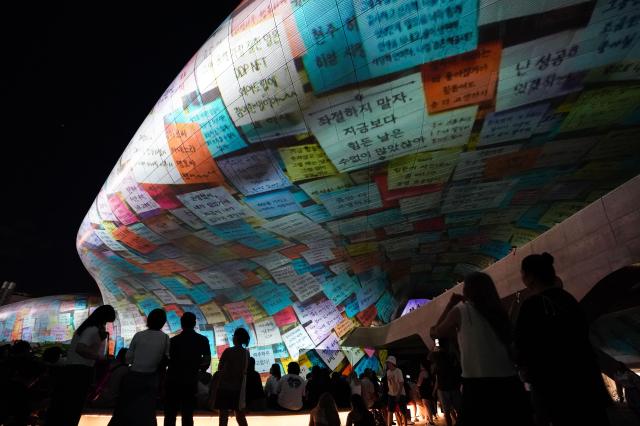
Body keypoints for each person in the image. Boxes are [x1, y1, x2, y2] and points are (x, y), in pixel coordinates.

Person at [515, 253, 610, 426]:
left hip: (553, 386)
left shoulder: (531, 306)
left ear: (530, 278)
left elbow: (522, 345)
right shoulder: (569, 299)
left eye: (522, 274)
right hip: (585, 379)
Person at [430, 272, 532, 426]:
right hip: (509, 384)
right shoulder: (499, 311)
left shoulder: (462, 310)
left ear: (467, 290)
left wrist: (451, 304)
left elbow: (435, 332)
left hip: (477, 386)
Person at [45, 304, 116, 426]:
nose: (106, 326)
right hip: (80, 371)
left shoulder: (86, 329)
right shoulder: (92, 330)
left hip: (74, 369)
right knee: (73, 405)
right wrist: (101, 358)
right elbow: (81, 348)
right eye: (106, 322)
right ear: (103, 319)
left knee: (66, 405)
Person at [109, 308, 170, 426]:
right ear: (163, 322)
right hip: (151, 379)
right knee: (146, 412)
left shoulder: (139, 335)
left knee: (125, 410)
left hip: (133, 377)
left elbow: (128, 358)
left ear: (149, 320)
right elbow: (165, 358)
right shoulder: (165, 338)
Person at [164, 312, 211, 426]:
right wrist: (198, 367)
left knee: (170, 413)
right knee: (187, 413)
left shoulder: (173, 341)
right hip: (190, 380)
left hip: (173, 379)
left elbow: (166, 360)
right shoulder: (202, 340)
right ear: (194, 323)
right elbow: (206, 361)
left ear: (181, 324)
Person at [214, 327, 250, 426]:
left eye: (233, 335)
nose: (233, 337)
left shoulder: (228, 351)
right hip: (238, 390)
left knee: (223, 417)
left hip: (225, 388)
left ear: (237, 337)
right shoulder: (246, 353)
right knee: (240, 416)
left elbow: (220, 367)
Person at [431, 346, 461, 426]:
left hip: (444, 388)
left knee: (447, 411)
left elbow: (433, 370)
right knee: (457, 409)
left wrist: (433, 349)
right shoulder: (451, 356)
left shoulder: (437, 360)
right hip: (453, 386)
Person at [384, 356, 406, 426]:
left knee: (403, 412)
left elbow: (401, 383)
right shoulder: (388, 372)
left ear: (392, 363)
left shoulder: (398, 371)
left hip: (400, 394)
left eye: (388, 363)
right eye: (387, 363)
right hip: (391, 394)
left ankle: (405, 425)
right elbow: (390, 383)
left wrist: (398, 394)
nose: (387, 364)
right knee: (390, 411)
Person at [416, 359, 436, 425]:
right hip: (429, 390)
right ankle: (428, 420)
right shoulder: (429, 372)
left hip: (424, 391)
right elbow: (432, 383)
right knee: (429, 405)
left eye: (420, 365)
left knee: (427, 406)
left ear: (422, 365)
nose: (419, 366)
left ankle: (431, 421)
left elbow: (419, 383)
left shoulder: (422, 373)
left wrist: (417, 389)